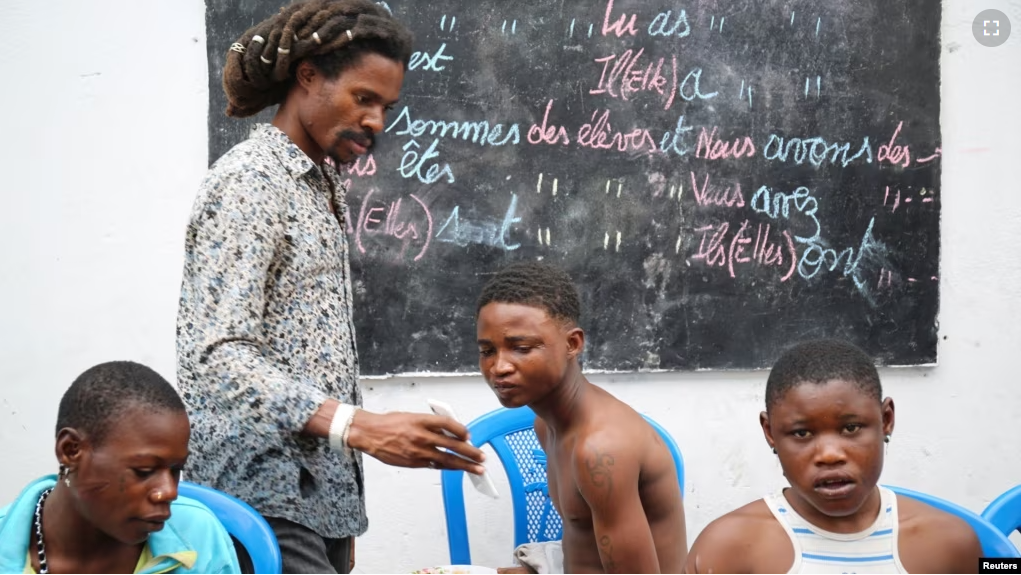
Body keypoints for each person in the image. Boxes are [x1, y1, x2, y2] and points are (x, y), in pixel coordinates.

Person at [176, 1, 485, 572]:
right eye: (363, 98)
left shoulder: (320, 182)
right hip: (262, 492)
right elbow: (218, 353)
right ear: (309, 76)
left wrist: (356, 438)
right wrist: (358, 425)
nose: (376, 122)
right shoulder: (251, 182)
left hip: (321, 492)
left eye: (386, 107)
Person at [684, 339, 982, 574]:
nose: (829, 455)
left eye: (851, 428)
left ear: (886, 419)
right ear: (770, 432)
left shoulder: (951, 542)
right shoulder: (726, 548)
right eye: (801, 434)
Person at [476, 261, 687, 574]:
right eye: (487, 351)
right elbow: (584, 541)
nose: (499, 367)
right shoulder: (547, 426)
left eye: (520, 347)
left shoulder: (600, 450)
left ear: (572, 344)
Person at [0, 361, 240, 574]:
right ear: (71, 451)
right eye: (144, 471)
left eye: (176, 469)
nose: (169, 492)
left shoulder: (198, 535)